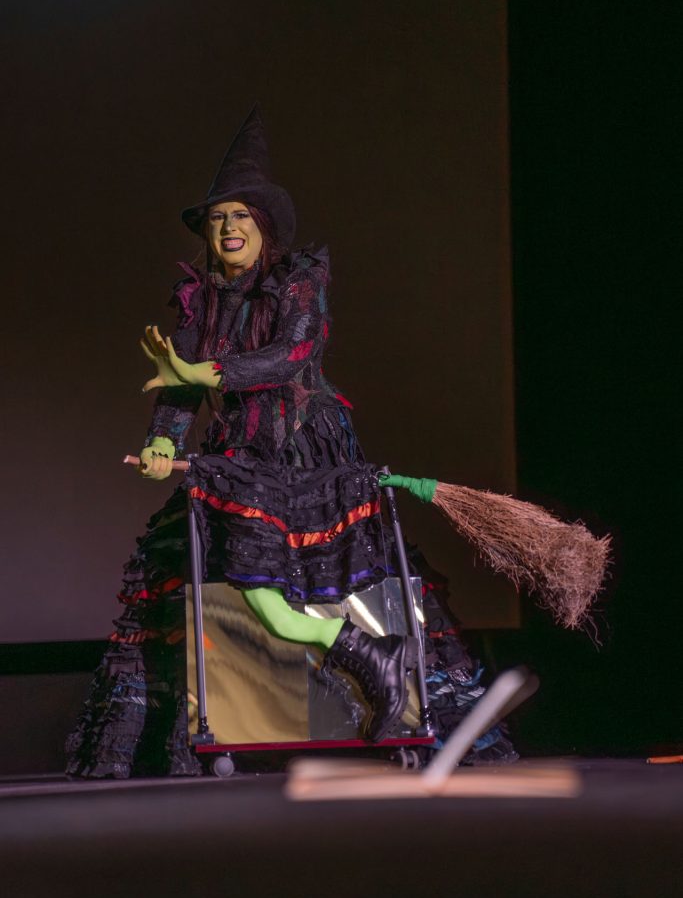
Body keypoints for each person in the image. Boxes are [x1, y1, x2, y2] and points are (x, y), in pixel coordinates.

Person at [66, 105, 516, 779]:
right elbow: (177, 389)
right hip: (239, 458)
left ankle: (391, 693)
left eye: (240, 216)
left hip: (309, 451)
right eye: (217, 218)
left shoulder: (298, 278)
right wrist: (160, 443)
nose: (228, 228)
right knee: (231, 578)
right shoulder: (198, 301)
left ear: (264, 226)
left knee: (344, 575)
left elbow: (292, 354)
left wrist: (207, 372)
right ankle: (350, 666)